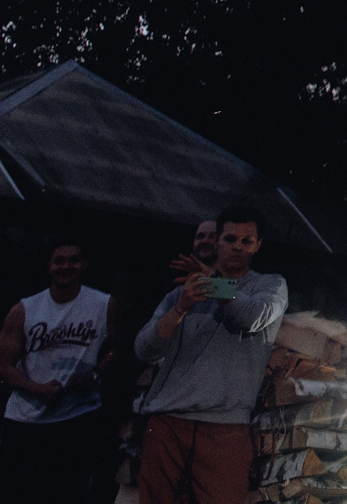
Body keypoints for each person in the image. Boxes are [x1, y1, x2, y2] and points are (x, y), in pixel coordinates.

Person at [133, 202, 289, 504]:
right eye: (230, 239)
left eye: (247, 241)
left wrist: (212, 284)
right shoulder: (181, 293)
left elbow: (253, 317)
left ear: (258, 246)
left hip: (224, 428)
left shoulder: (269, 285)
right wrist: (180, 308)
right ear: (216, 241)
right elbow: (144, 349)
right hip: (167, 422)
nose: (237, 247)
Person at [0, 237, 116, 504]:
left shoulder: (103, 304)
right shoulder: (25, 309)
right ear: (49, 266)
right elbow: (4, 365)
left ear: (84, 265)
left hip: (77, 416)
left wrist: (95, 376)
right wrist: (37, 388)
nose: (66, 266)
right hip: (26, 418)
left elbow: (119, 349)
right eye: (59, 260)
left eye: (73, 260)